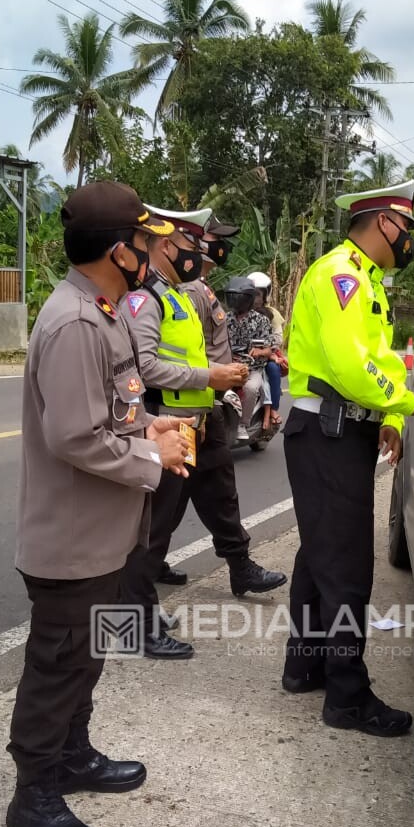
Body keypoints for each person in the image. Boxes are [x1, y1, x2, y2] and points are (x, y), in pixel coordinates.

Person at [6, 180, 192, 827]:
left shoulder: (105, 309)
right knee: (58, 664)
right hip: (72, 543)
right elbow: (76, 438)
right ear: (120, 250)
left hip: (107, 537)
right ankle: (33, 791)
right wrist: (154, 454)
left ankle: (74, 754)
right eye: (146, 241)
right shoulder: (75, 322)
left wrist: (151, 421)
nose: (153, 251)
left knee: (87, 658)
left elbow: (110, 410)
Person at [281, 179, 414, 737]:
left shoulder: (369, 280)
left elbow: (385, 361)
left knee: (319, 555)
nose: (410, 240)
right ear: (383, 222)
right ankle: (347, 697)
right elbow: (351, 368)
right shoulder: (341, 275)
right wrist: (410, 403)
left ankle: (305, 666)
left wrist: (391, 416)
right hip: (326, 431)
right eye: (407, 228)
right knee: (346, 569)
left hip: (342, 431)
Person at [119, 205, 286, 659]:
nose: (200, 254)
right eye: (192, 246)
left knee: (198, 502)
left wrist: (210, 386)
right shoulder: (145, 297)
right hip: (164, 423)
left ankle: (143, 611)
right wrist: (209, 377)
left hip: (195, 420)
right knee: (151, 526)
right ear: (168, 245)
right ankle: (134, 621)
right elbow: (145, 364)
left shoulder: (175, 294)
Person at [154, 214, 237, 588]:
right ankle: (138, 596)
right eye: (205, 239)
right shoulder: (173, 293)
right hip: (177, 416)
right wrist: (212, 377)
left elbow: (198, 348)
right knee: (166, 504)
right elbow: (149, 365)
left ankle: (240, 564)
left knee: (215, 490)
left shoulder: (188, 289)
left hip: (202, 411)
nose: (217, 246)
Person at [225, 274, 276, 440]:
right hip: (227, 365)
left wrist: (259, 352)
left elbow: (270, 349)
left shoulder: (261, 320)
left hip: (252, 368)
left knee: (251, 388)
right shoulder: (224, 319)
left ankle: (243, 423)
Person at [250, 272, 288, 429]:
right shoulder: (240, 310)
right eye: (253, 294)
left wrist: (264, 346)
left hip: (268, 355)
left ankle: (273, 409)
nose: (256, 298)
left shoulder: (272, 313)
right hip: (245, 354)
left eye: (259, 294)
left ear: (266, 295)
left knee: (272, 370)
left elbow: (278, 338)